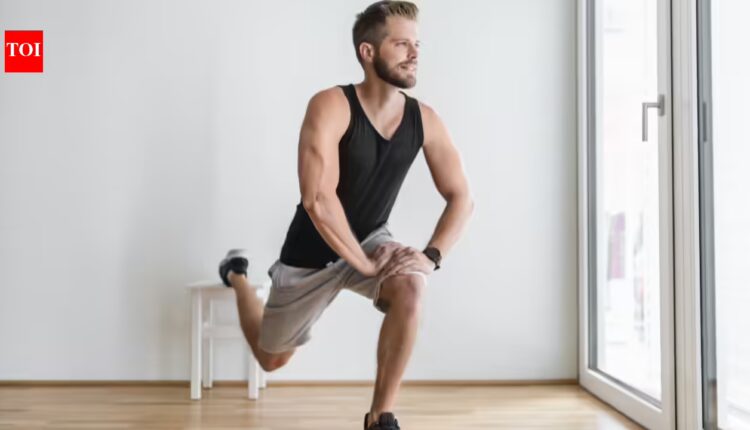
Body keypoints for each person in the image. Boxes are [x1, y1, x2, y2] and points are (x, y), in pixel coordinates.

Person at [217, 2, 473, 429]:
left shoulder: (424, 120)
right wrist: (365, 265)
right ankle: (238, 277)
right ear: (367, 52)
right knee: (271, 358)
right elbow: (319, 199)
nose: (414, 53)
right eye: (401, 44)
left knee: (412, 285)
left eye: (417, 45)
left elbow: (461, 196)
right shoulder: (331, 105)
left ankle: (380, 417)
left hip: (371, 238)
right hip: (311, 252)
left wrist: (431, 256)